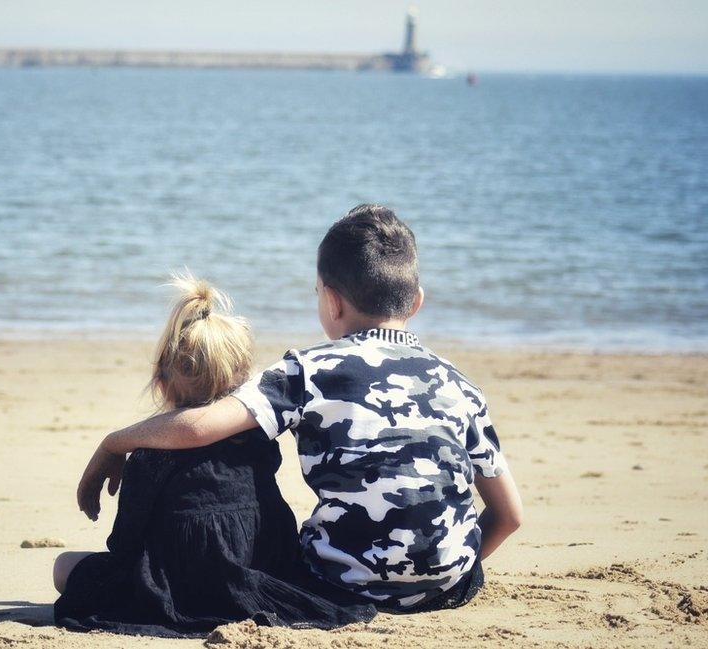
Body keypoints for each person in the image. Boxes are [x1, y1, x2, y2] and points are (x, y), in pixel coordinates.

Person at [77, 204, 523, 612]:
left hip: (339, 586)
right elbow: (509, 517)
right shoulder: (461, 386)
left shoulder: (308, 370)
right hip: (452, 589)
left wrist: (115, 443)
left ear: (331, 300)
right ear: (417, 300)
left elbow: (199, 428)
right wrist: (448, 572)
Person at [53, 273, 377, 637]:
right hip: (254, 576)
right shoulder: (258, 442)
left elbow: (125, 545)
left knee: (64, 568)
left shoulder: (148, 455)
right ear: (245, 383)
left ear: (161, 381)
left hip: (177, 587)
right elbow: (270, 520)